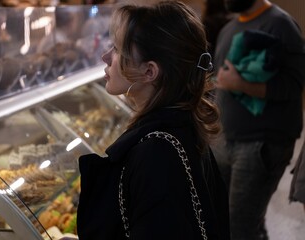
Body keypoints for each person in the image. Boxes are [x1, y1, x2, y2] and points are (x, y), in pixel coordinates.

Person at [77, 1, 230, 239]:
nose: (106, 56)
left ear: (150, 71)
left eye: (118, 49)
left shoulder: (156, 154)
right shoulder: (181, 123)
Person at [212, 0, 305, 239]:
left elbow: (295, 85)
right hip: (226, 140)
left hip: (260, 145)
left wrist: (241, 85)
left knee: (239, 228)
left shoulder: (280, 24)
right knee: (233, 223)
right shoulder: (228, 29)